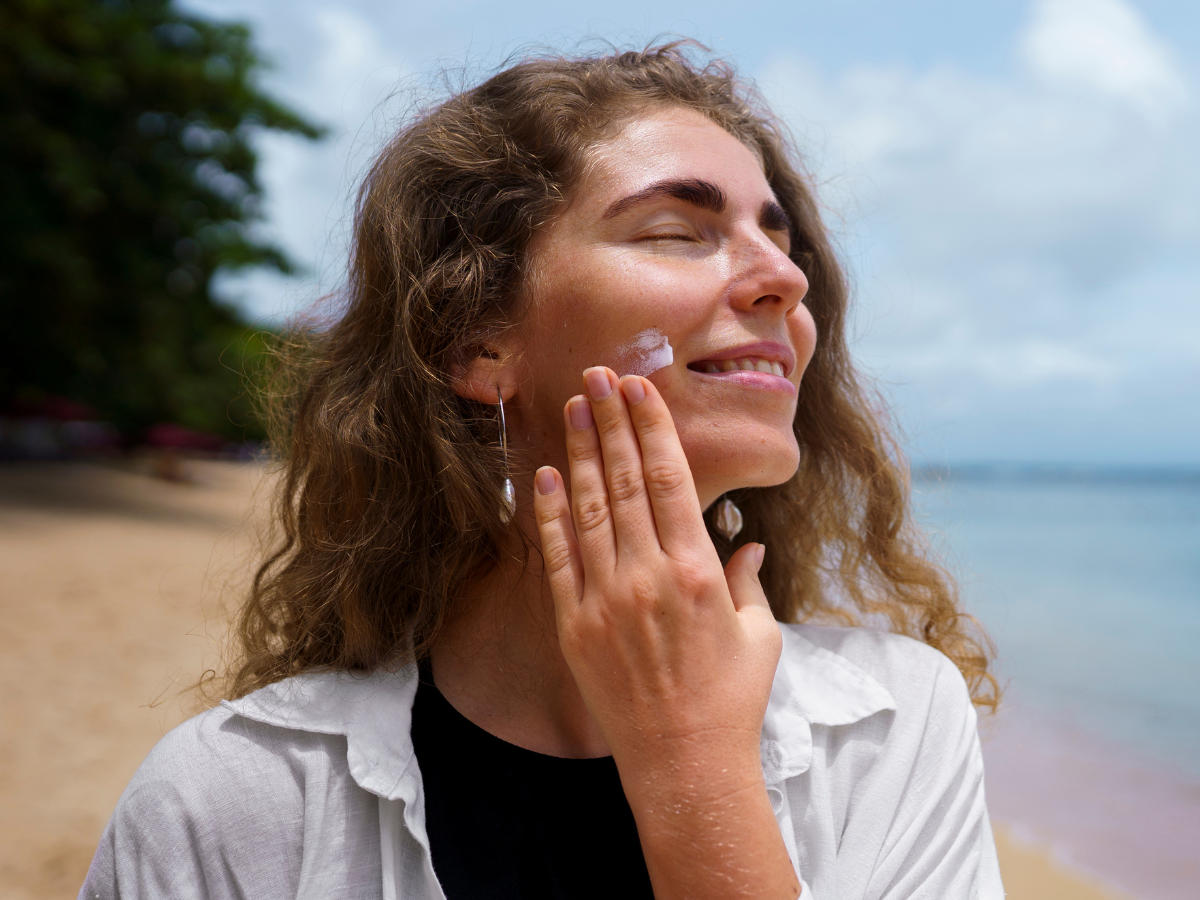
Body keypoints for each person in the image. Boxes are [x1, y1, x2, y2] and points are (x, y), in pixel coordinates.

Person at [80, 43, 1002, 900]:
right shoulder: (232, 798)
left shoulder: (892, 727)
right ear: (476, 339)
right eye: (678, 231)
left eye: (782, 239)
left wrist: (692, 768)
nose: (786, 280)